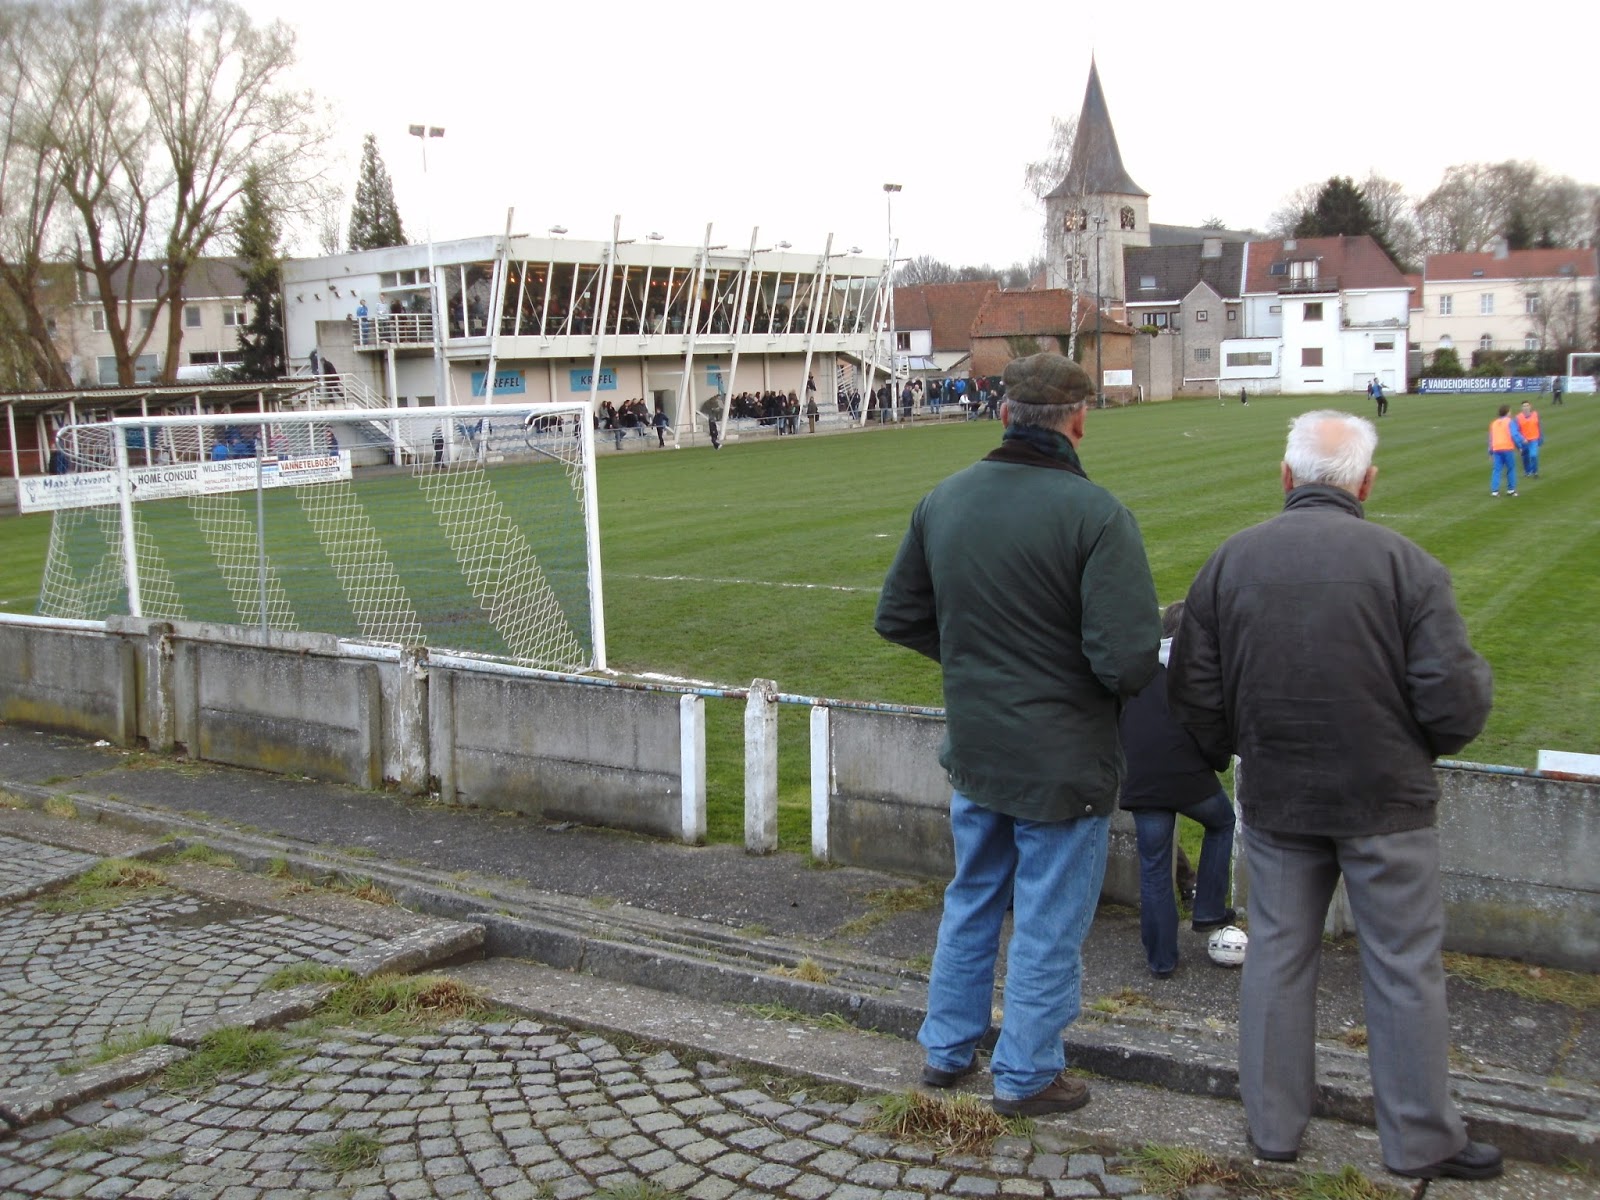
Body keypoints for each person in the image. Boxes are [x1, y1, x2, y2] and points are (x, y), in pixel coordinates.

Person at [1167, 410, 1500, 1181]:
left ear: (1287, 479)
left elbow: (1194, 690)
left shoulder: (1232, 561)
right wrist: (1413, 747)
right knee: (1403, 964)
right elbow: (1455, 700)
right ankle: (1417, 1136)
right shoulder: (1406, 565)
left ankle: (1274, 1127)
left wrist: (1233, 746)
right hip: (1383, 797)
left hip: (1286, 790)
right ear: (1366, 484)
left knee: (1278, 957)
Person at [875, 352, 1160, 1117]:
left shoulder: (945, 499)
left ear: (1003, 416)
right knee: (1047, 917)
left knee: (971, 898)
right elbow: (1127, 660)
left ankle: (946, 1047)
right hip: (1062, 761)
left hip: (980, 750)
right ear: (1078, 422)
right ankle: (1027, 1071)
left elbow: (898, 616)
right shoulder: (1096, 515)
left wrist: (981, 658)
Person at [1117, 599, 1235, 979]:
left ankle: (1161, 960)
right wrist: (1217, 762)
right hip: (1186, 776)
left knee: (1154, 869)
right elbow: (1211, 731)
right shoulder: (1197, 672)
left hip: (1143, 778)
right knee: (1222, 821)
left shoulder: (1136, 668)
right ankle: (1209, 909)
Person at [1487, 404, 1522, 496]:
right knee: (1510, 469)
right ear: (1507, 412)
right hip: (1507, 448)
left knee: (1497, 470)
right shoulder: (1510, 422)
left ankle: (1494, 491)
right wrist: (1519, 446)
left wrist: (1490, 452)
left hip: (1496, 449)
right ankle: (1511, 490)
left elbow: (1491, 439)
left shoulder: (1494, 423)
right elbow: (1514, 435)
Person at [1514, 400, 1542, 477]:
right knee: (1525, 457)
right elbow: (1516, 431)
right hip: (1524, 441)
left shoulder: (1535, 415)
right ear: (1521, 408)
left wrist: (1540, 438)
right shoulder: (1518, 417)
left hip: (1534, 439)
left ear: (1530, 406)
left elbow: (1539, 427)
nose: (1525, 407)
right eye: (1524, 406)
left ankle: (1535, 471)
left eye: (1527, 406)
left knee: (1533, 455)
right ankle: (1527, 471)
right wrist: (1519, 442)